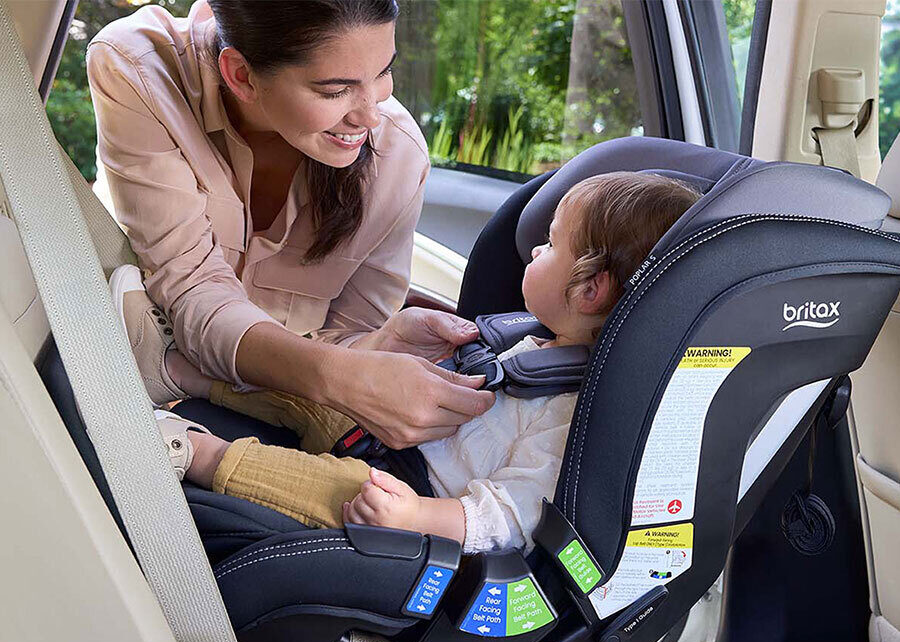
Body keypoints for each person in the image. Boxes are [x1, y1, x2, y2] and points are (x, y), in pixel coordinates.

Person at [155, 172, 702, 553]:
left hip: (418, 495)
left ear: (589, 289)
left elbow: (512, 515)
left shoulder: (576, 413)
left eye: (552, 245)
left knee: (334, 487)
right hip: (400, 441)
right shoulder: (536, 342)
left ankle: (196, 453)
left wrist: (415, 517)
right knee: (323, 388)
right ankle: (188, 375)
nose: (535, 251)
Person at [90, 0, 493, 452]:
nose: (371, 116)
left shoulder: (398, 157)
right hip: (116, 385)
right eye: (335, 90)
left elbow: (348, 336)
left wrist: (381, 343)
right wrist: (337, 376)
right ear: (241, 75)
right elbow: (193, 288)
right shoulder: (139, 69)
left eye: (384, 72)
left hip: (264, 422)